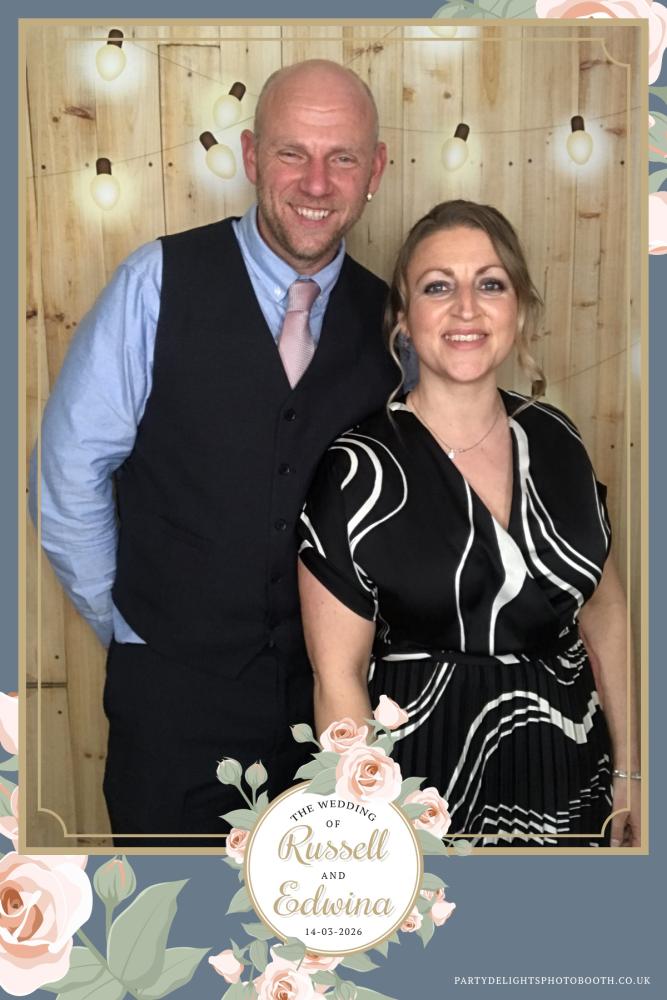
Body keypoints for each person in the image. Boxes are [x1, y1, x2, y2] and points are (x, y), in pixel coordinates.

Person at [30, 59, 397, 846]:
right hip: (171, 710)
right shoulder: (155, 282)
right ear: (252, 157)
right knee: (170, 911)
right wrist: (132, 629)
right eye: (292, 152)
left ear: (375, 171)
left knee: (326, 913)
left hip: (334, 710)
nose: (316, 182)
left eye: (341, 157)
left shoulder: (394, 321)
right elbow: (67, 475)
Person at [298, 200, 640, 848]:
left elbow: (605, 607)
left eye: (490, 284)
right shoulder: (357, 470)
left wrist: (632, 769)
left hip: (576, 776)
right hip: (424, 793)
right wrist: (369, 830)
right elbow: (336, 678)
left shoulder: (558, 439)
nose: (465, 309)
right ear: (404, 317)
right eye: (437, 287)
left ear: (519, 308)